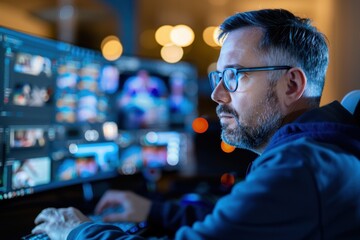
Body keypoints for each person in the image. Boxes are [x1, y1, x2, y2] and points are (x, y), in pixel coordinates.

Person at [32, 8, 360, 239]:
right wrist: (154, 212)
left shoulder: (298, 168)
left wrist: (76, 231)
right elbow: (236, 224)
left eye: (234, 76)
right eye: (218, 76)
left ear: (292, 85)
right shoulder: (316, 151)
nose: (217, 94)